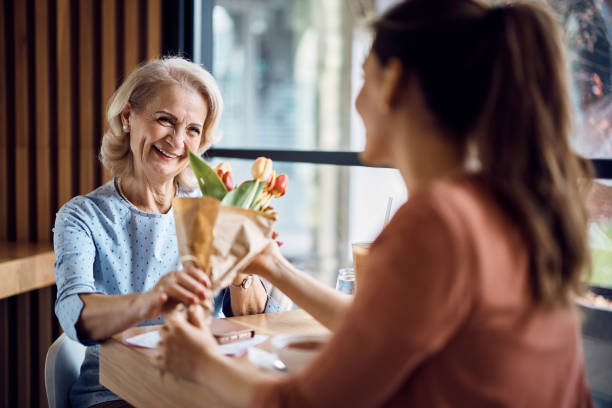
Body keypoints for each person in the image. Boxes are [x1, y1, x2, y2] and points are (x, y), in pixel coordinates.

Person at [157, 1, 595, 407]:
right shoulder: (496, 203)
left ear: (393, 83)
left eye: (365, 75)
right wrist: (273, 266)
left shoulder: (437, 221)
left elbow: (303, 404)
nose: (357, 101)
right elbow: (382, 326)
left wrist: (198, 362)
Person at [53, 57, 281, 408]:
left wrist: (243, 275)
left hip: (204, 389)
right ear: (128, 117)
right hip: (115, 393)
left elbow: (259, 323)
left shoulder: (211, 207)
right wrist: (150, 301)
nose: (177, 140)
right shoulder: (82, 216)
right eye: (165, 120)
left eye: (192, 129)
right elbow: (73, 313)